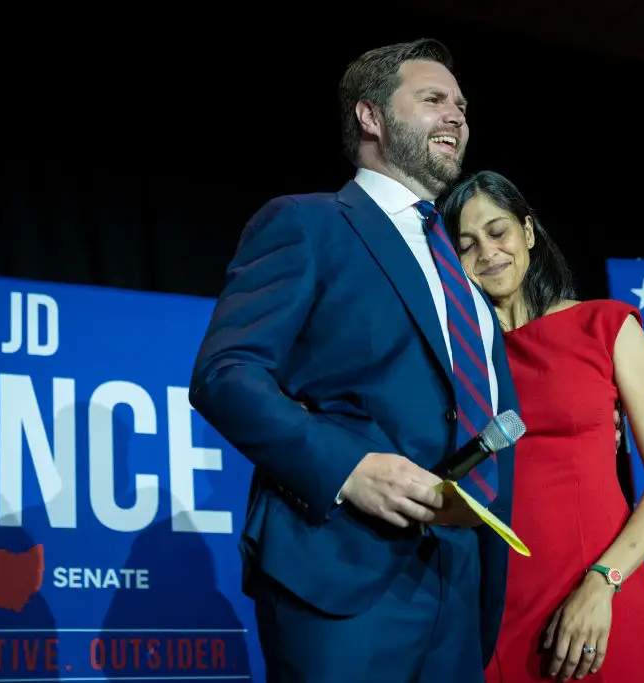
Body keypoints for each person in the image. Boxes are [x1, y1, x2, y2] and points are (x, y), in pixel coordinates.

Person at [188, 39, 520, 683]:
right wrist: (349, 467)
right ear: (371, 116)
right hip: (340, 569)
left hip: (458, 582)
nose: (456, 116)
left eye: (461, 105)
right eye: (433, 99)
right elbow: (225, 374)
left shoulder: (464, 270)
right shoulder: (306, 223)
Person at [438, 170, 644, 682]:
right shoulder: (458, 359)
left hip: (599, 598)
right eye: (466, 245)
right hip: (493, 606)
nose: (487, 252)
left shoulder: (606, 326)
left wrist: (602, 582)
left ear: (529, 232)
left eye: (497, 231)